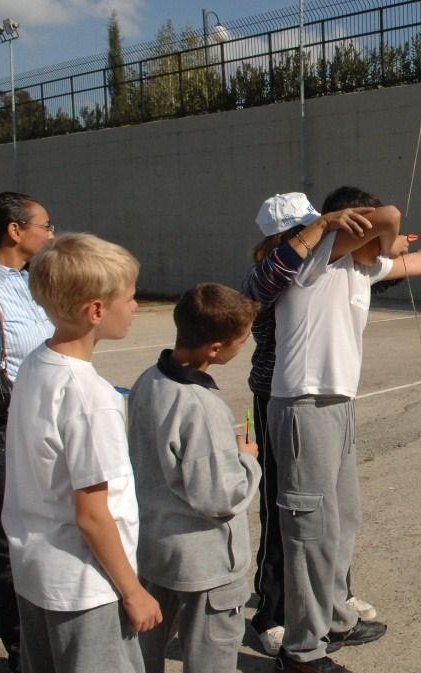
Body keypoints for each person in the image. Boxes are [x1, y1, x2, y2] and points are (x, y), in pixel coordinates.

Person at [268, 185, 421, 673]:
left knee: (343, 520)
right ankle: (301, 652)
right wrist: (388, 238)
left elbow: (410, 263)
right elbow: (390, 216)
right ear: (350, 223)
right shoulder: (313, 258)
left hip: (337, 405)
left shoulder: (356, 268)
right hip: (305, 405)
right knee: (310, 532)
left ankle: (337, 618)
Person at [2, 233, 162, 673]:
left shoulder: (36, 363)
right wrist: (133, 591)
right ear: (96, 310)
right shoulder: (91, 398)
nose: (133, 306)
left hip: (36, 571)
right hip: (86, 585)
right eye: (130, 298)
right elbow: (92, 513)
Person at [242, 193, 379, 656]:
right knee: (291, 518)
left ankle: (327, 612)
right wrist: (322, 226)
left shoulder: (315, 261)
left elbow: (374, 270)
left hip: (316, 399)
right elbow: (267, 280)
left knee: (328, 516)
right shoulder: (277, 269)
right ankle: (272, 612)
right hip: (279, 400)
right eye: (309, 227)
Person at [127, 282, 263, 673]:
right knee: (211, 656)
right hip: (206, 561)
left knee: (144, 648)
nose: (243, 347)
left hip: (155, 547)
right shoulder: (203, 408)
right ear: (215, 349)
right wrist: (247, 459)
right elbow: (219, 496)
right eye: (241, 341)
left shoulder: (148, 380)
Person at [0, 191, 56, 673]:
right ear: (14, 230)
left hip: (46, 422)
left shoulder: (30, 283)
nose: (50, 234)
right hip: (5, 428)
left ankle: (44, 640)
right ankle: (21, 653)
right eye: (44, 225)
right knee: (15, 542)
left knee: (50, 533)